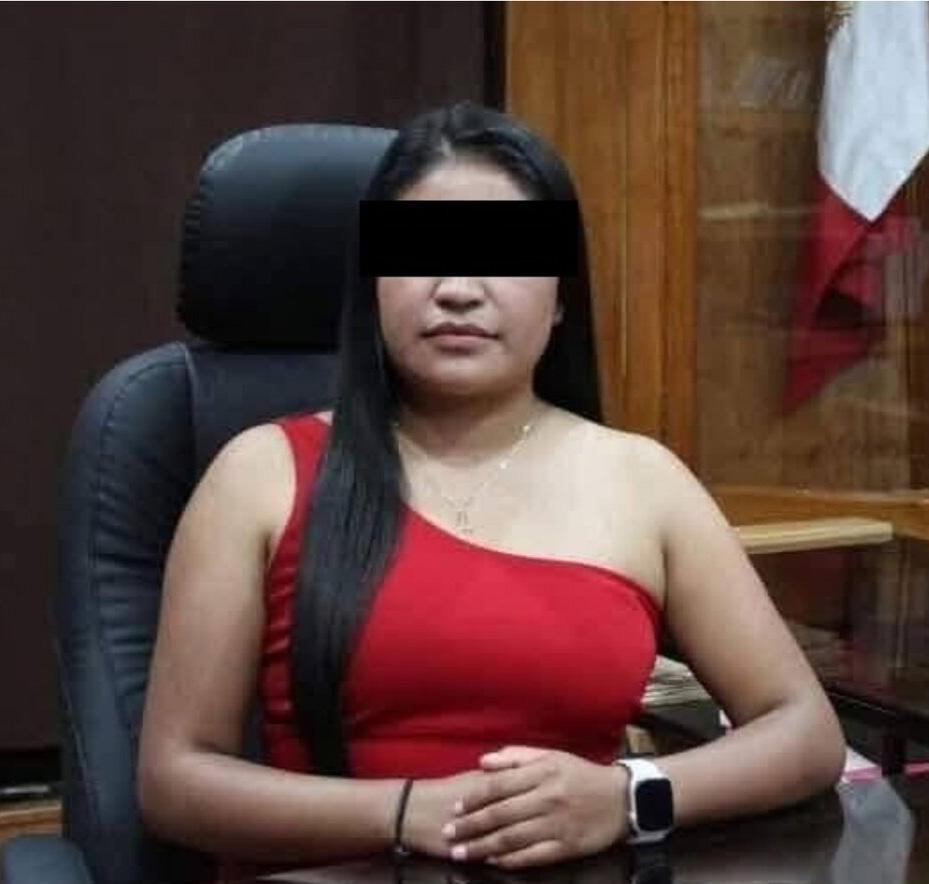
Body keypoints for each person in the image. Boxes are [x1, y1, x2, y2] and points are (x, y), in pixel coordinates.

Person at [137, 101, 846, 876]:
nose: (459, 288)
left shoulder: (643, 481)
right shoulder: (259, 474)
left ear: (560, 296)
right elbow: (174, 781)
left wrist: (628, 796)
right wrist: (404, 812)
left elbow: (803, 731)